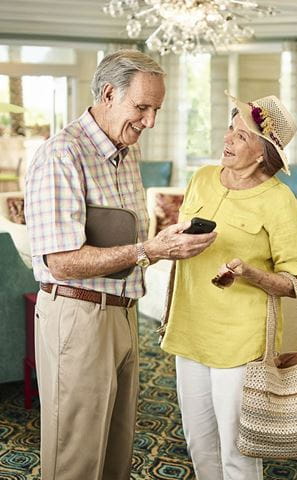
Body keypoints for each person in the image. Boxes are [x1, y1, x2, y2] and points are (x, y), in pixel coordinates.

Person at [25, 49, 216, 480]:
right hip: (77, 315)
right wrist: (150, 250)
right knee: (75, 455)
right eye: (142, 107)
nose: (150, 121)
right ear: (109, 93)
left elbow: (121, 240)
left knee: (115, 452)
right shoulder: (62, 155)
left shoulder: (125, 152)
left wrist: (162, 246)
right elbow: (61, 261)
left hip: (122, 312)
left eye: (157, 110)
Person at [160, 93, 297, 480]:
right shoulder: (202, 178)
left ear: (263, 153)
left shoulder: (281, 202)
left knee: (237, 454)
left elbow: (295, 285)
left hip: (241, 342)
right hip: (189, 330)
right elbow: (178, 242)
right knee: (199, 443)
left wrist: (251, 273)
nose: (227, 139)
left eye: (242, 136)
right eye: (230, 128)